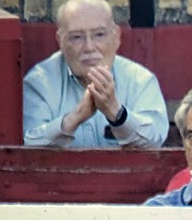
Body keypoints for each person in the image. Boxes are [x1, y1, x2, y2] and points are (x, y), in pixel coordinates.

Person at [23, 0, 168, 149]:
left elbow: (155, 139)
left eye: (99, 35)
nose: (89, 47)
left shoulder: (139, 80)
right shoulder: (39, 82)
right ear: (61, 41)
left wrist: (116, 112)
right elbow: (28, 143)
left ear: (116, 37)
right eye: (77, 37)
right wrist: (76, 117)